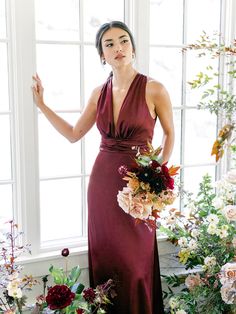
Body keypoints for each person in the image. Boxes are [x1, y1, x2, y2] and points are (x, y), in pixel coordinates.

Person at [32, 20, 174, 314]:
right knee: (108, 266)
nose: (118, 48)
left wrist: (157, 176)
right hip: (103, 186)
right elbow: (74, 134)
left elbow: (170, 134)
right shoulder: (99, 93)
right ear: (102, 55)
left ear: (133, 47)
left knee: (136, 267)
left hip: (140, 188)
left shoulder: (154, 89)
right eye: (109, 44)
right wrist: (42, 105)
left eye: (123, 41)